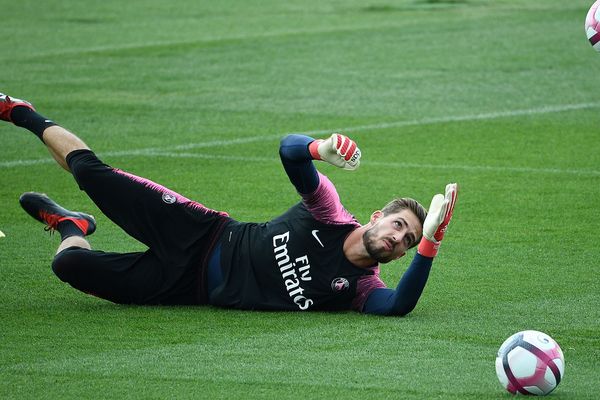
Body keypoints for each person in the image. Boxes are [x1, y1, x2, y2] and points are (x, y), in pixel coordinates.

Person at [1, 92, 458, 316]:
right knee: (89, 173)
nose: (398, 237)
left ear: (401, 254)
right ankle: (19, 111)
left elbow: (397, 306)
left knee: (69, 268)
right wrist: (319, 148)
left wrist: (431, 244)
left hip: (187, 289)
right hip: (199, 231)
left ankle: (69, 226)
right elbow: (288, 150)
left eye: (407, 240)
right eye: (398, 225)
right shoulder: (330, 213)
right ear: (378, 217)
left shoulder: (360, 290)